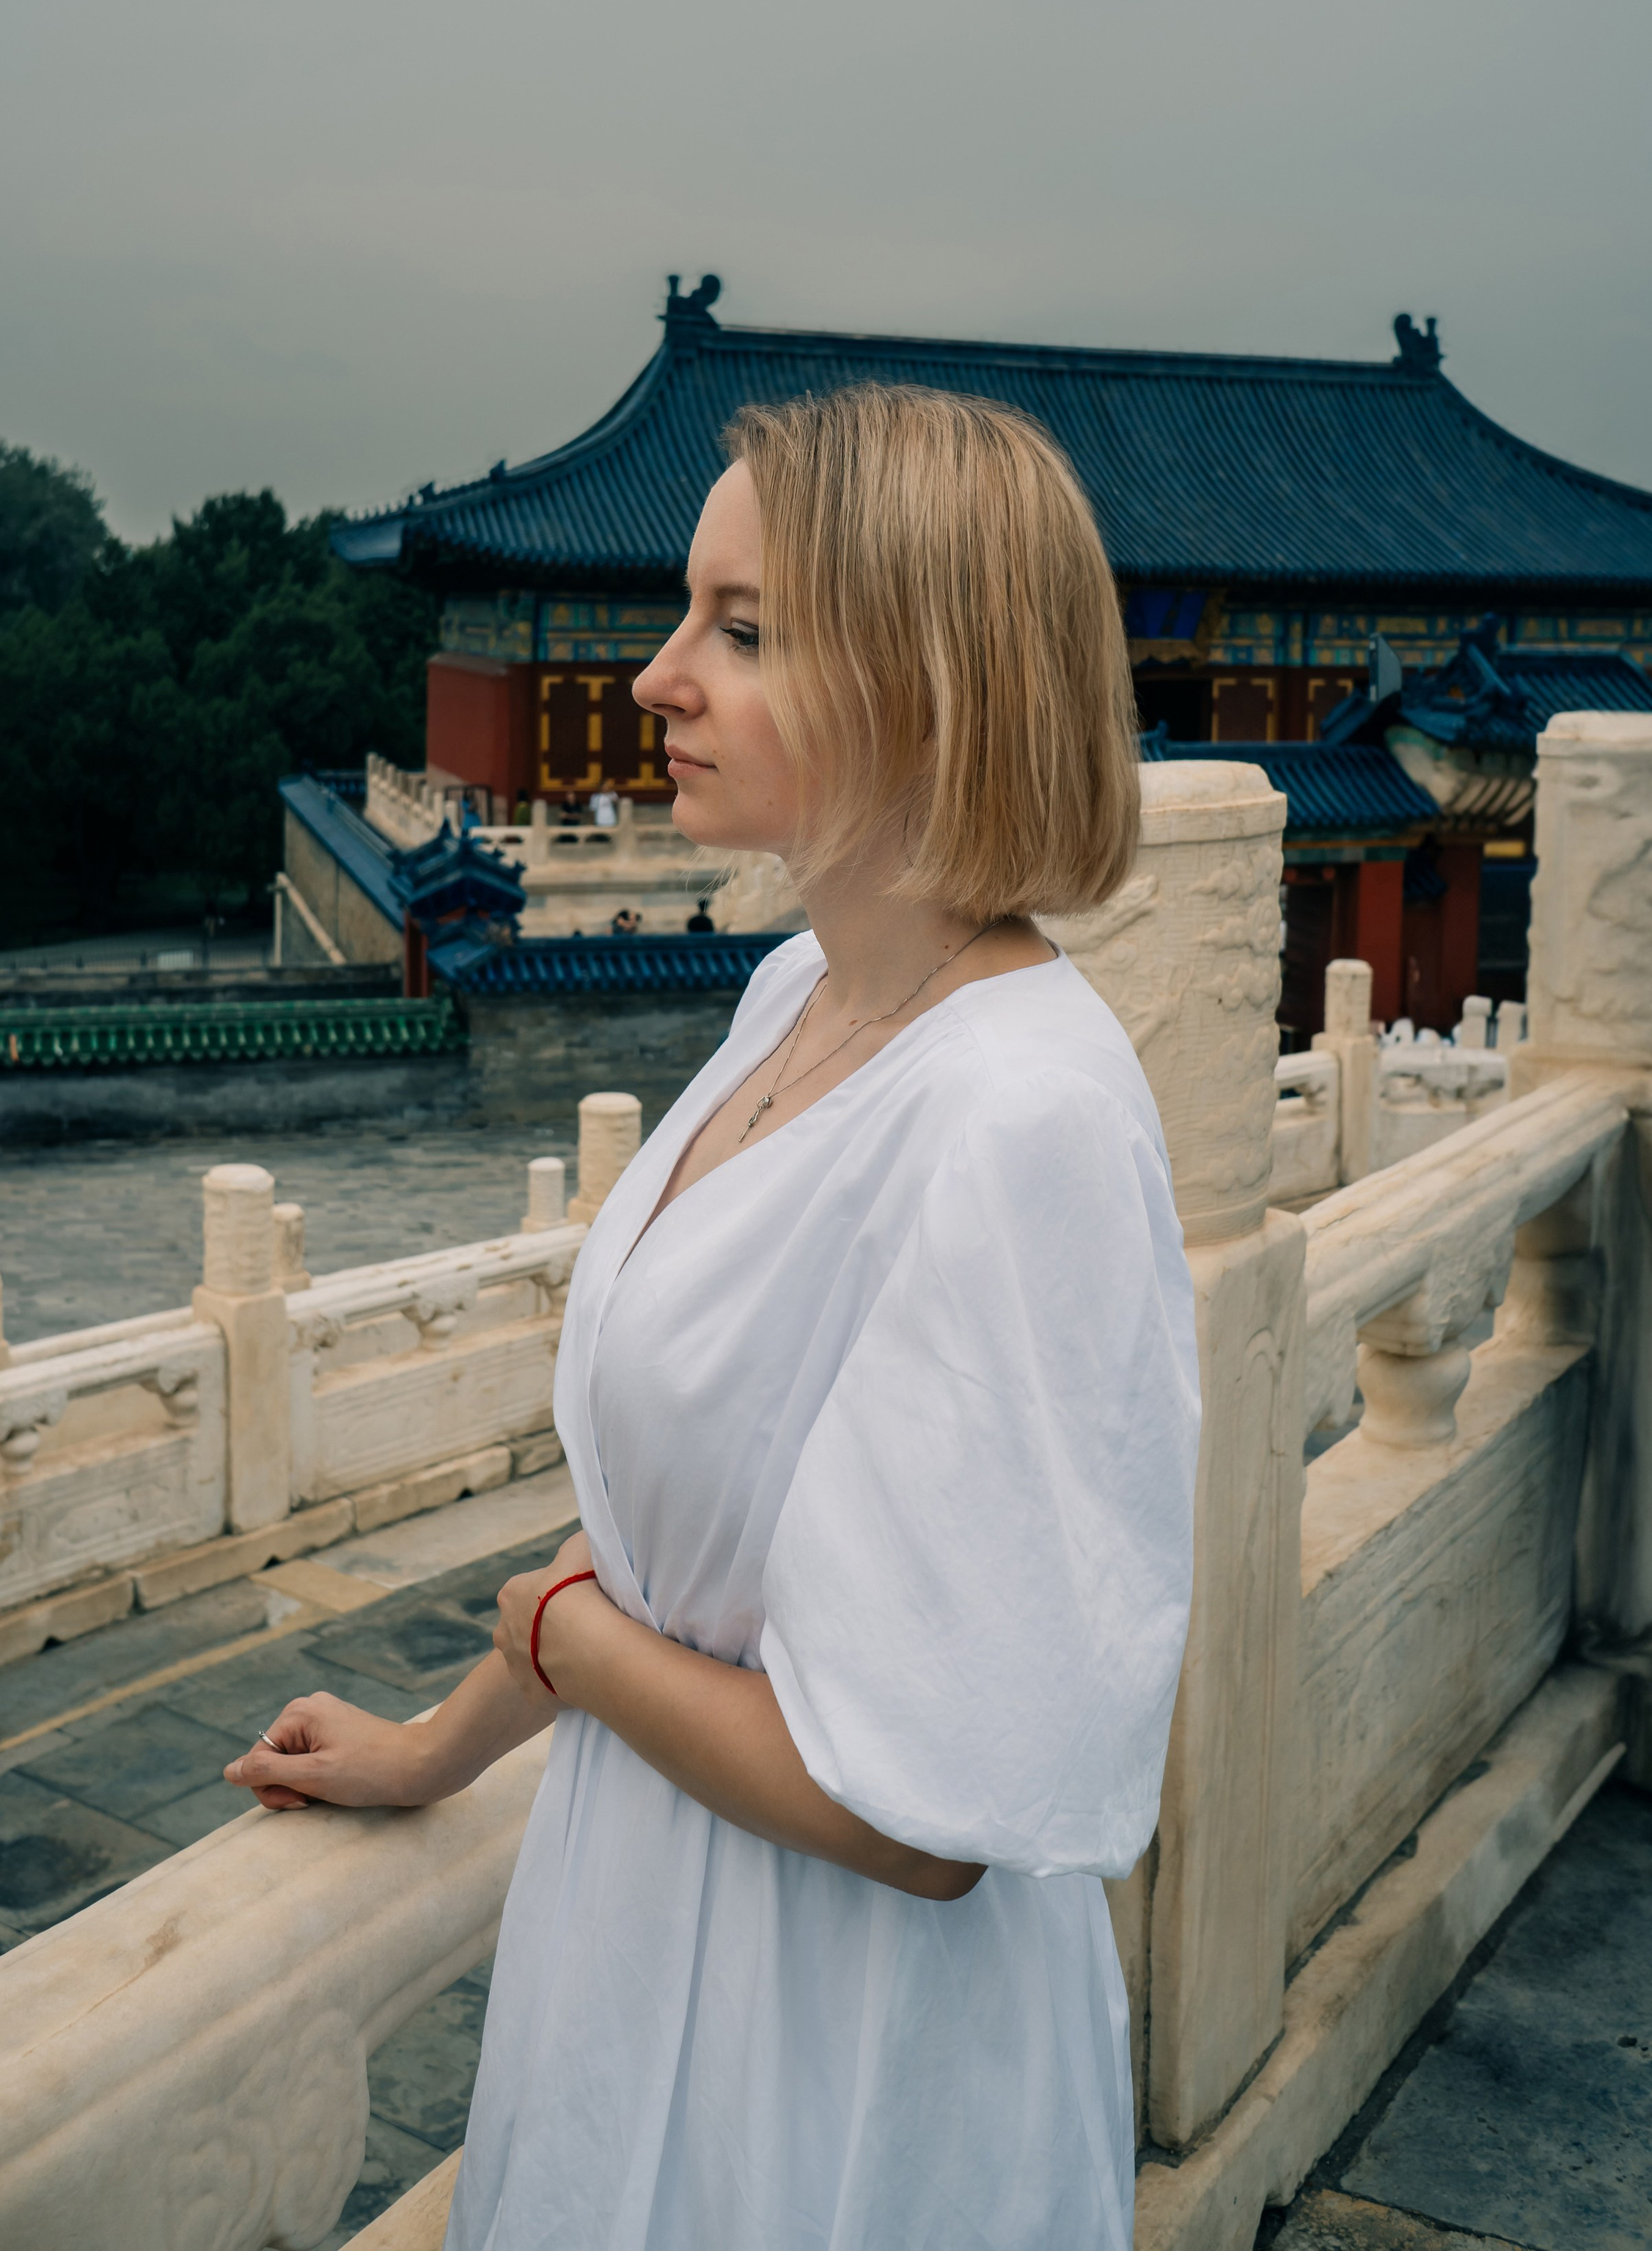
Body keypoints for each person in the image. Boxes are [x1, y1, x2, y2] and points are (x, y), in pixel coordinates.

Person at [226, 384, 1200, 2251]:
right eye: (687, 615)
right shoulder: (795, 998)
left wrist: (566, 1645)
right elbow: (700, 1544)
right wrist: (433, 1747)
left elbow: (922, 1815)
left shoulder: (1018, 1116)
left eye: (741, 634)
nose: (655, 678)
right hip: (642, 1926)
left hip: (834, 2053)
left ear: (929, 682)